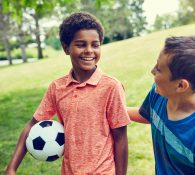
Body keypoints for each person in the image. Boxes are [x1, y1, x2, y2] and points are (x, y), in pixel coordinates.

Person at [4, 12, 131, 175]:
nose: (89, 50)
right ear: (66, 48)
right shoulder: (57, 88)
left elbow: (120, 138)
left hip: (103, 171)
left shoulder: (111, 86)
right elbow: (32, 125)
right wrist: (11, 168)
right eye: (81, 44)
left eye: (95, 44)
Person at [128, 36, 195, 175]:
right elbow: (146, 115)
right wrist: (112, 108)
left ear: (181, 85)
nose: (152, 71)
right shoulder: (159, 94)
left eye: (158, 69)